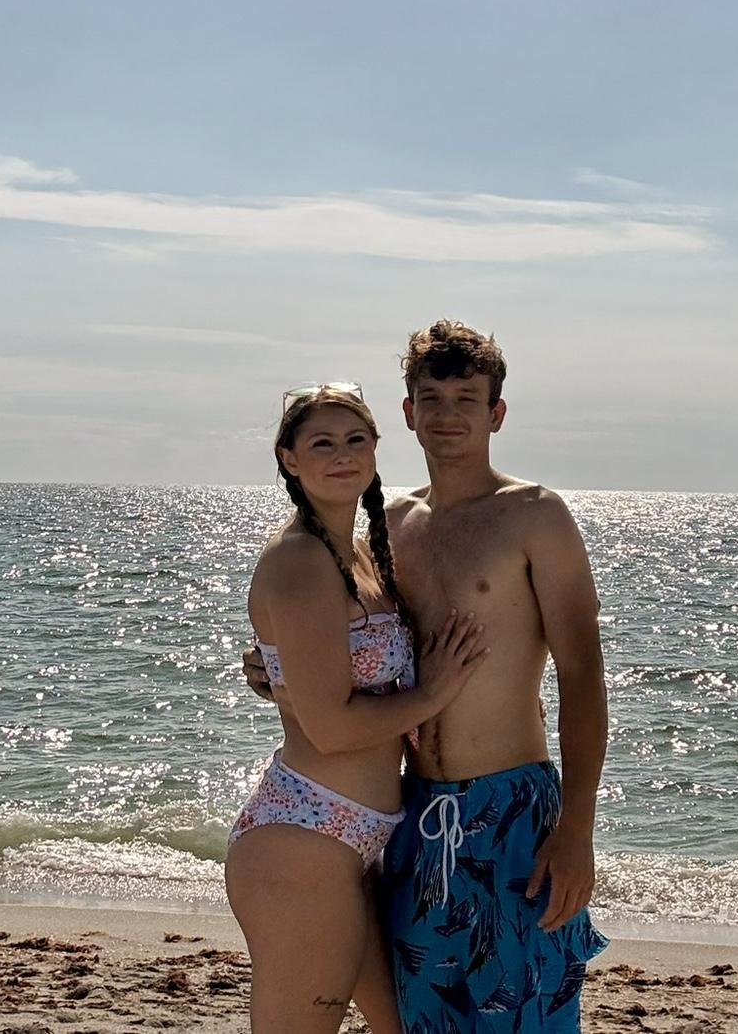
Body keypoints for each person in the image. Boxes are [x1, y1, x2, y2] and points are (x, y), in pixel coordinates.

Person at [245, 322, 609, 1032]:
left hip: (513, 811)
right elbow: (348, 643)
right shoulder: (389, 528)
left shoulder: (535, 516)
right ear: (408, 413)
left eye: (467, 399)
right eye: (431, 399)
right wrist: (272, 668)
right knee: (423, 1021)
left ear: (496, 413)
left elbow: (583, 677)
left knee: (527, 1015)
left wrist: (577, 829)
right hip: (412, 816)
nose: (448, 416)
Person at [225, 383, 490, 1034]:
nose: (342, 455)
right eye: (322, 443)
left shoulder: (362, 555)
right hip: (305, 841)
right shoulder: (300, 560)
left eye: (355, 440)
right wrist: (433, 694)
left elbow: (320, 675)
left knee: (403, 1025)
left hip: (361, 841)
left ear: (375, 449)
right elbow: (332, 728)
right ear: (289, 459)